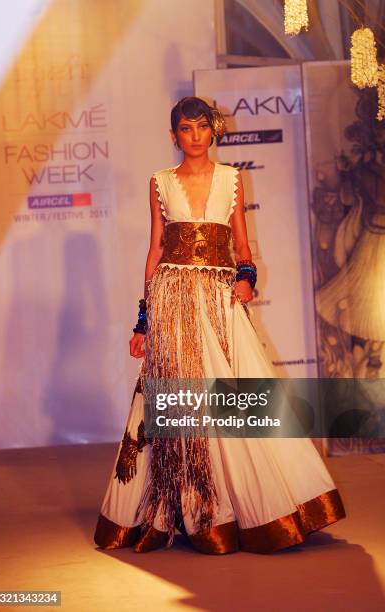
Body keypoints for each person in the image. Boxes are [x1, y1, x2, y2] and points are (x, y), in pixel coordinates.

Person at [94, 96, 346, 555]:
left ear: (213, 131)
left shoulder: (232, 178)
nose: (194, 135)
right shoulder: (160, 182)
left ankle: (251, 506)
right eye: (185, 129)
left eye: (201, 127)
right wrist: (142, 322)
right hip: (171, 301)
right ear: (174, 136)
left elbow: (243, 251)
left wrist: (246, 281)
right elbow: (154, 252)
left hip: (218, 298)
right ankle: (187, 508)